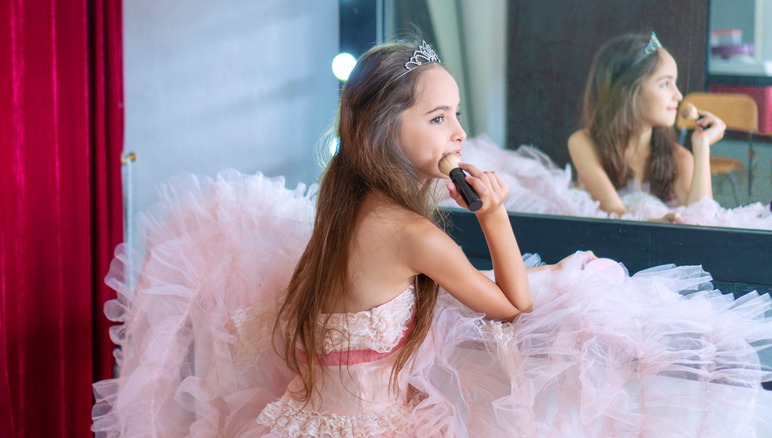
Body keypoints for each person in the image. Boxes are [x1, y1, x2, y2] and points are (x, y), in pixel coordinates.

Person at [92, 41, 772, 437]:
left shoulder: (344, 212)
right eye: (440, 118)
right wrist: (494, 213)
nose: (456, 134)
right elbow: (514, 304)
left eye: (457, 116)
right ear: (389, 131)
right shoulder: (412, 233)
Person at [568, 32, 727, 223]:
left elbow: (703, 221)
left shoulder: (679, 158)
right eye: (665, 84)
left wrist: (702, 146)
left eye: (675, 83)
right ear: (627, 92)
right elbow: (613, 211)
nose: (678, 95)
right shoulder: (583, 143)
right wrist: (653, 224)